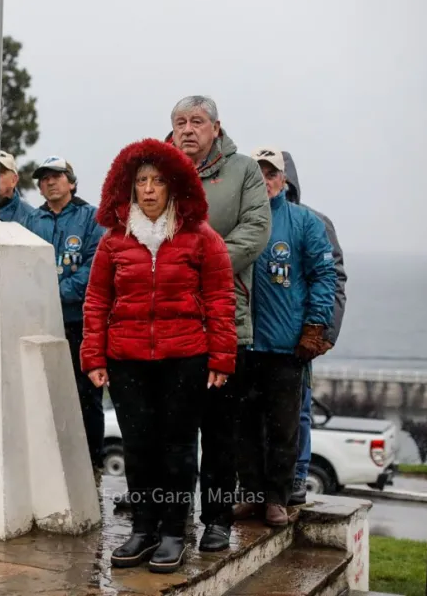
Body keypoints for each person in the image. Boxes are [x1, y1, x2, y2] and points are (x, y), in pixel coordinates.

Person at [82, 138, 236, 573]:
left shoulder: (201, 239)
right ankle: (143, 529)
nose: (148, 189)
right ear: (129, 189)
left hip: (184, 359)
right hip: (126, 359)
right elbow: (96, 300)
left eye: (157, 182)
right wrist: (94, 357)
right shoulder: (114, 242)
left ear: (174, 187)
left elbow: (221, 299)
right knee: (138, 447)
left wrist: (221, 359)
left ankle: (172, 532)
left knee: (179, 448)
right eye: (141, 182)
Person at [168, 95, 271, 551]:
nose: (187, 129)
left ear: (216, 128)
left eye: (197, 121)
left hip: (224, 319)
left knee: (219, 429)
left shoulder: (245, 171)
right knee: (170, 429)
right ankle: (167, 518)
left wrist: (199, 264)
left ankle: (215, 519)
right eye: (179, 122)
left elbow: (255, 230)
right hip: (167, 319)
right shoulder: (159, 170)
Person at [234, 147, 336, 526]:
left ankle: (276, 497)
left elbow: (325, 277)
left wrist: (315, 326)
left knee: (283, 427)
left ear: (283, 180)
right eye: (256, 174)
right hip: (243, 342)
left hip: (285, 347)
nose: (264, 181)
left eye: (271, 174)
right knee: (243, 427)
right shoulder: (238, 223)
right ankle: (251, 495)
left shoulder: (305, 223)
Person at [24, 156, 105, 469]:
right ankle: (50, 464)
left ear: (71, 181)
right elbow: (25, 266)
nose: (49, 182)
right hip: (42, 323)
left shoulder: (91, 218)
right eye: (44, 178)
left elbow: (94, 266)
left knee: (86, 395)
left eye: (56, 176)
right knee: (46, 394)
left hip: (80, 323)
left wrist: (56, 293)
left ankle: (92, 464)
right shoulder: (33, 221)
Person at [282, 150, 347, 506]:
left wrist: (322, 334)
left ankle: (296, 477)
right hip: (260, 338)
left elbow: (334, 280)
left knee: (299, 410)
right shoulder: (254, 220)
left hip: (300, 338)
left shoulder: (315, 221)